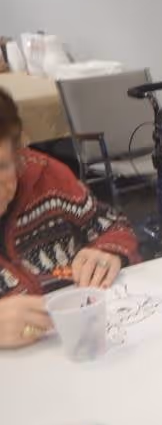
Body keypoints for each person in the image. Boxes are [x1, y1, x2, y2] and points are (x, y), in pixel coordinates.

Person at [0, 87, 140, 349]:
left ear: (18, 154)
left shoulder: (47, 177)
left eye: (1, 166)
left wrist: (108, 250)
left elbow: (112, 226)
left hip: (86, 345)